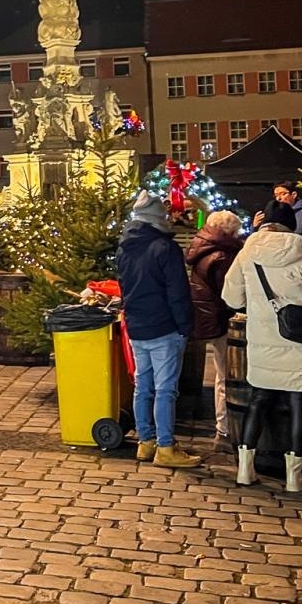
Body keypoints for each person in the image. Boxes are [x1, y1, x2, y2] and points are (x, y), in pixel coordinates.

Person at [221, 200, 302, 492]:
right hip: (301, 343)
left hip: (263, 342)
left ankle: (244, 470)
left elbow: (231, 298)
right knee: (298, 403)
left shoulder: (247, 254)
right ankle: (293, 477)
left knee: (257, 401)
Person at [115, 191, 201, 468]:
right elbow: (178, 293)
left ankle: (145, 441)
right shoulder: (165, 249)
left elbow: (125, 287)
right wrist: (185, 327)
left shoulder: (124, 247)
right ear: (157, 218)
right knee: (165, 389)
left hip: (137, 325)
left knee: (143, 386)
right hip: (164, 326)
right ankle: (165, 446)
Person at [184, 209, 245, 446]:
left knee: (222, 373)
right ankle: (225, 428)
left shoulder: (202, 247)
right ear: (226, 231)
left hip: (210, 317)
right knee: (228, 374)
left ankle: (224, 427)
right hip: (223, 318)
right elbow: (231, 294)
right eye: (235, 231)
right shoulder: (222, 256)